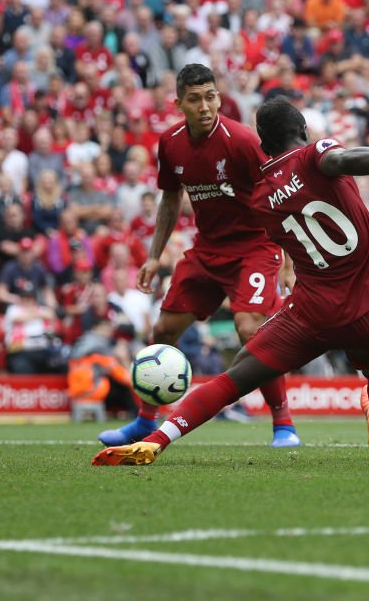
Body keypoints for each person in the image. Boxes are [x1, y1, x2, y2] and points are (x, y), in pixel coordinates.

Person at [92, 97, 369, 466]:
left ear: (265, 145)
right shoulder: (315, 154)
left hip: (314, 313)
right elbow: (343, 161)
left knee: (235, 376)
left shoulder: (261, 199)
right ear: (304, 131)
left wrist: (367, 224)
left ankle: (156, 441)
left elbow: (306, 230)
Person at [97, 64, 300, 449]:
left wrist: (289, 263)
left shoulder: (242, 141)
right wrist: (154, 256)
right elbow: (171, 198)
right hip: (208, 249)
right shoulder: (170, 143)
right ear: (178, 104)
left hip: (255, 247)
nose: (205, 106)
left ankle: (284, 424)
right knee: (164, 331)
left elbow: (281, 195)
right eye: (195, 99)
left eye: (211, 97)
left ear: (219, 99)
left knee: (251, 329)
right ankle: (144, 421)